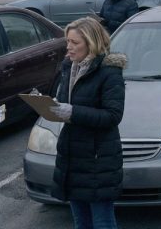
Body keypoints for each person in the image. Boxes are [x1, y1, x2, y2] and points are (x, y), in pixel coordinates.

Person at [50, 17, 126, 229]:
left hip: (97, 159)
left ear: (91, 43)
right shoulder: (69, 66)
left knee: (102, 222)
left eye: (75, 42)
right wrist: (52, 106)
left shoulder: (109, 71)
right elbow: (67, 101)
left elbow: (113, 115)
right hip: (72, 156)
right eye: (68, 42)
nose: (69, 47)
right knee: (80, 222)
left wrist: (73, 112)